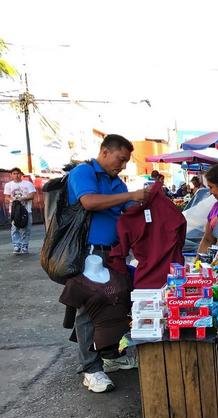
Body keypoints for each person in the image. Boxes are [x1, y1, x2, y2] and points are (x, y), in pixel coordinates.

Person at [67, 134, 146, 393]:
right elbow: (89, 202)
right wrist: (129, 196)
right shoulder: (84, 172)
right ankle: (91, 369)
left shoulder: (116, 183)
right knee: (91, 308)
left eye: (125, 162)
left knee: (116, 304)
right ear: (104, 152)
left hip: (113, 253)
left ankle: (110, 355)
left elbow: (129, 209)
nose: (122, 166)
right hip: (89, 252)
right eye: (120, 159)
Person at [4, 167, 36, 254]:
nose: (16, 175)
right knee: (15, 228)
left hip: (26, 210)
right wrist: (12, 200)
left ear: (21, 174)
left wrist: (23, 198)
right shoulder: (8, 185)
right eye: (14, 173)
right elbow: (6, 197)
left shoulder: (28, 184)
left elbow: (32, 196)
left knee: (26, 228)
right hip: (14, 211)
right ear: (11, 175)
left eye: (18, 173)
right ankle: (16, 245)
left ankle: (24, 245)